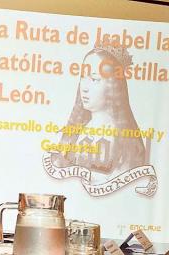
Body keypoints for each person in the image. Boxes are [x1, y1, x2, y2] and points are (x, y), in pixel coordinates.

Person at [51, 42, 146, 181]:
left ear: (114, 86)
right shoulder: (77, 130)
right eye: (83, 77)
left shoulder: (124, 139)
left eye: (94, 79)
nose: (84, 87)